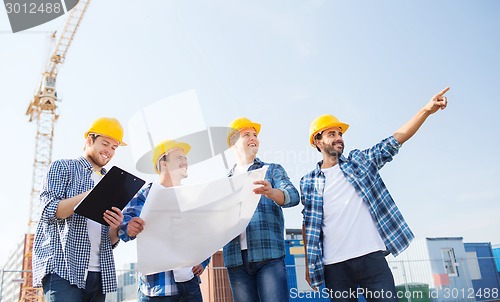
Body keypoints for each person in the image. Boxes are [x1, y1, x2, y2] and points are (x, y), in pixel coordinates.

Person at [301, 87, 450, 301]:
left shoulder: (359, 162)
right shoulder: (308, 181)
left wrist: (426, 110)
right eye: (331, 134)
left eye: (340, 133)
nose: (339, 138)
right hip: (335, 266)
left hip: (371, 257)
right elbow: (309, 224)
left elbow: (394, 141)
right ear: (317, 141)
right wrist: (309, 265)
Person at [32, 117, 127, 302]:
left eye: (114, 147)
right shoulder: (63, 167)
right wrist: (90, 195)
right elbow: (49, 211)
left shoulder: (112, 181)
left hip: (99, 274)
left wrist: (115, 228)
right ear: (89, 140)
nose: (109, 151)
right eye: (105, 143)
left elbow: (110, 240)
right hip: (64, 269)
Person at [119, 139, 209, 302]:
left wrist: (204, 261)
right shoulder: (146, 194)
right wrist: (129, 227)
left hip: (190, 286)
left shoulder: (191, 198)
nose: (185, 162)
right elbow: (123, 225)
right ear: (164, 163)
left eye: (185, 158)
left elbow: (206, 233)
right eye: (179, 158)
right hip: (159, 288)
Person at [223, 117, 300, 302]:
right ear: (233, 144)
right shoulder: (224, 183)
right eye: (246, 135)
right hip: (236, 260)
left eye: (255, 135)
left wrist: (272, 192)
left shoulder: (271, 170)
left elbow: (293, 196)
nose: (253, 138)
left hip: (269, 256)